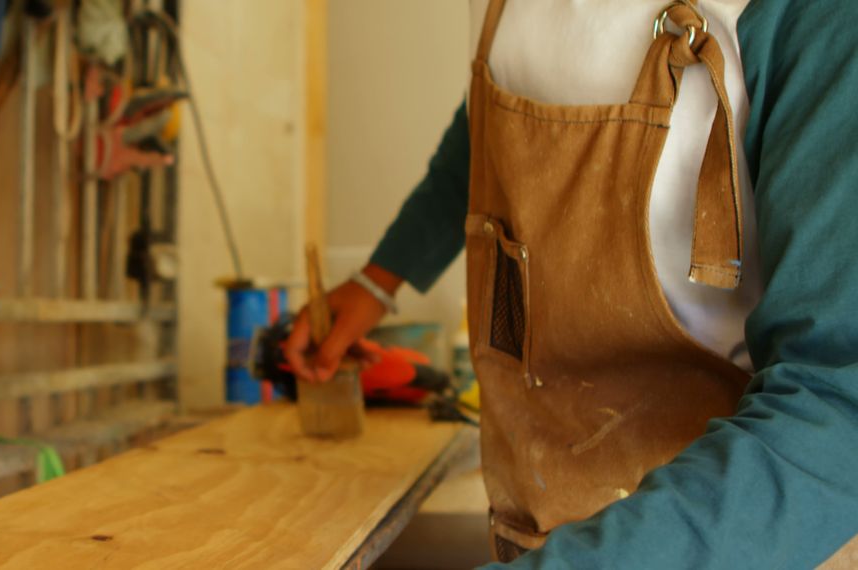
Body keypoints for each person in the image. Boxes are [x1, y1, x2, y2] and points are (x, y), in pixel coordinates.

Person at [284, 0, 858, 566]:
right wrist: (378, 281)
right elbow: (490, 123)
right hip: (530, 527)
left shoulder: (819, 19)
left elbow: (835, 420)